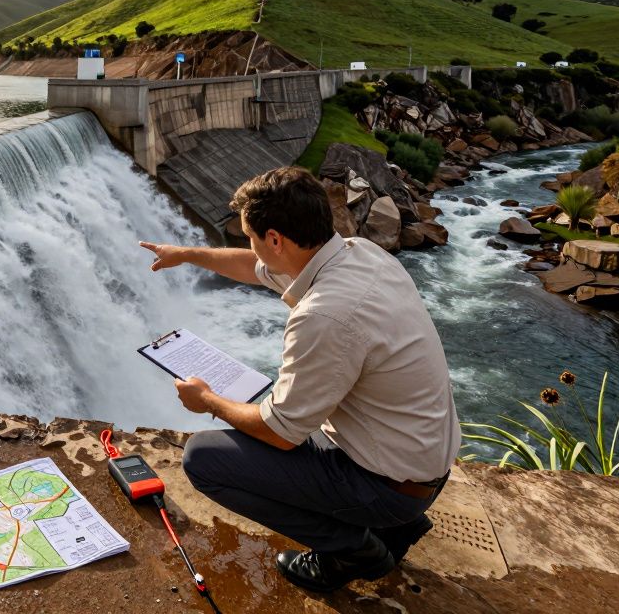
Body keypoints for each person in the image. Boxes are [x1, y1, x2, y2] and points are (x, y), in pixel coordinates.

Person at [138, 166, 459, 593]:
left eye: (251, 236)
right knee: (279, 409)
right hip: (420, 467)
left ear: (275, 240)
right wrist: (187, 253)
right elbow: (255, 268)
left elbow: (280, 434)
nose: (249, 245)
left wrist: (209, 400)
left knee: (204, 459)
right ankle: (397, 529)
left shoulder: (324, 315)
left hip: (391, 488)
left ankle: (350, 550)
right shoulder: (358, 252)